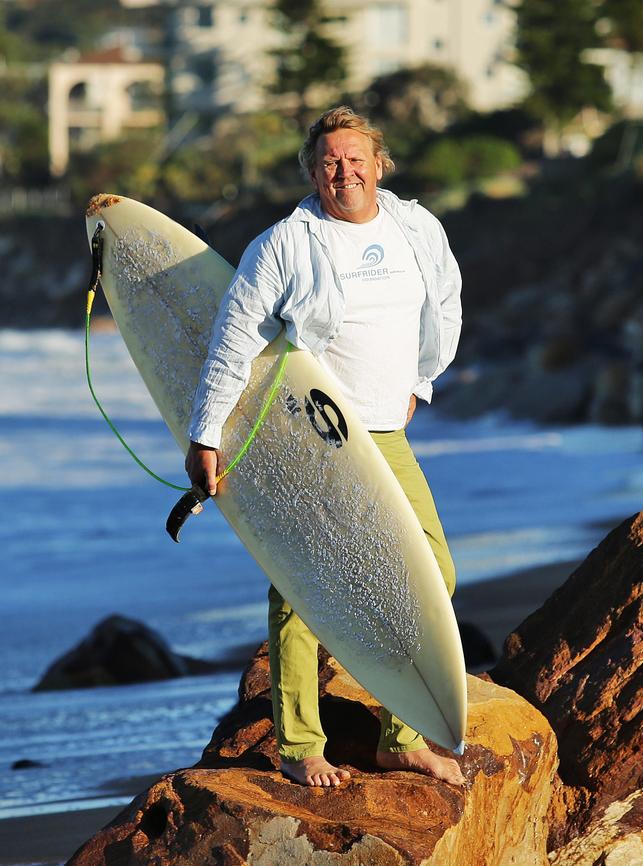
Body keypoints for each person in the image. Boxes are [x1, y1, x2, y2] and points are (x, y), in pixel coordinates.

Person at [185, 106, 465, 789]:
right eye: (330, 161)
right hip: (312, 435)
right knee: (302, 588)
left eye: (356, 157)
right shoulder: (285, 244)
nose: (345, 171)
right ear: (313, 171)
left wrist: (420, 383)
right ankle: (299, 744)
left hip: (385, 433)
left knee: (431, 574)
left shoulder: (415, 227)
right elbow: (234, 336)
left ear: (380, 163)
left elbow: (447, 303)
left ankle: (399, 739)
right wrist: (205, 432)